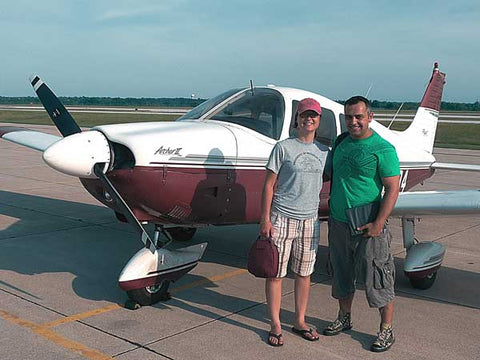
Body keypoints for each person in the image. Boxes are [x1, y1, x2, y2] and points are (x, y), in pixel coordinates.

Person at [323, 96, 400, 352]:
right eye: (348, 117)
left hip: (368, 226)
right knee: (341, 275)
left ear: (370, 117)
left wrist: (379, 223)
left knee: (378, 278)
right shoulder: (341, 142)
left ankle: (386, 329)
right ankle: (344, 318)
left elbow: (392, 188)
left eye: (358, 117)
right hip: (339, 224)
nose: (353, 122)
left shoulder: (383, 148)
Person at [260, 98, 329, 346]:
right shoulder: (283, 148)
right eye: (304, 115)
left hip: (310, 220)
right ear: (297, 119)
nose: (309, 119)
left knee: (304, 273)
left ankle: (300, 320)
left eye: (314, 116)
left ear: (319, 121)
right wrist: (265, 219)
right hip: (282, 217)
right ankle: (275, 323)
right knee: (276, 274)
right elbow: (269, 185)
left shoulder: (324, 152)